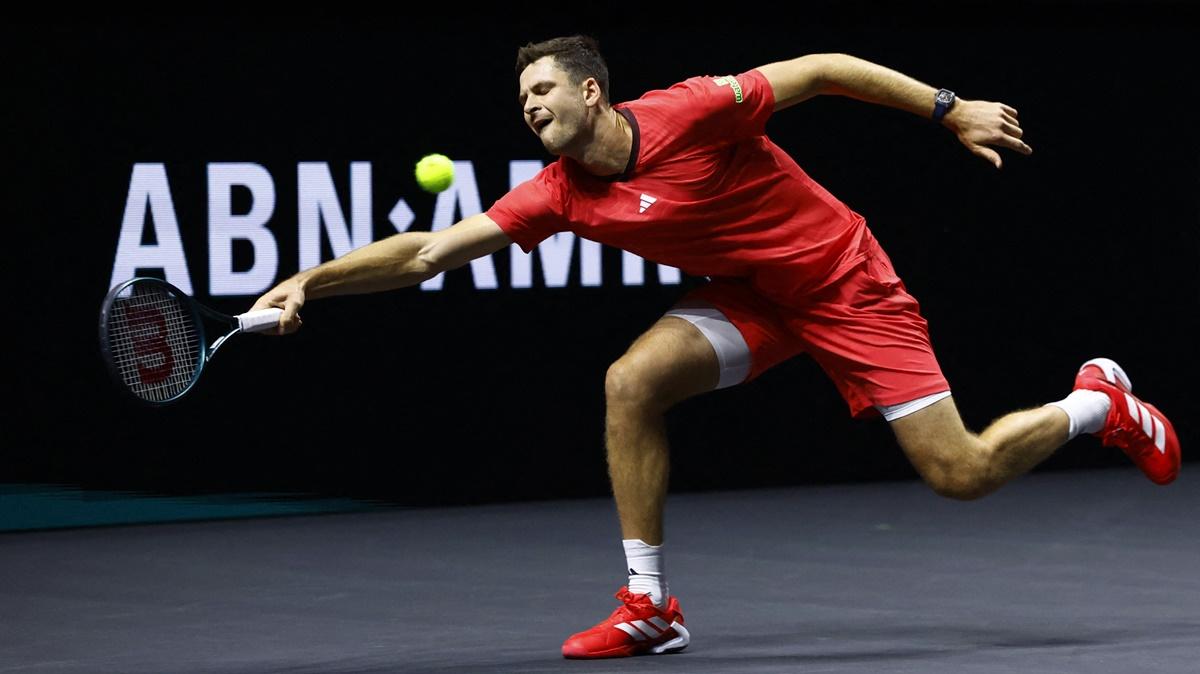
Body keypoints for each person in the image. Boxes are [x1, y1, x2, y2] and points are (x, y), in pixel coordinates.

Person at [251, 35, 1181, 659]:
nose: (528, 108)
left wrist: (951, 108)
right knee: (631, 383)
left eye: (541, 91)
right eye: (518, 99)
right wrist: (313, 281)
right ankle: (650, 606)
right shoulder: (560, 193)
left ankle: (1097, 401)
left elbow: (818, 70)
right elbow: (425, 252)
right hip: (752, 300)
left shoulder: (691, 111)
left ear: (590, 90)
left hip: (841, 282)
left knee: (962, 472)